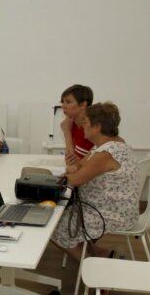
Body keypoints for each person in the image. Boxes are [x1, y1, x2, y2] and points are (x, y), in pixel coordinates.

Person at [51, 102, 139, 261]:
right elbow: (79, 166)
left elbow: (75, 179)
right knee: (59, 215)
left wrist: (63, 175)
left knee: (52, 224)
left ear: (97, 127)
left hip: (111, 214)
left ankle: (92, 269)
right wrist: (73, 169)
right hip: (113, 208)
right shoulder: (112, 144)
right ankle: (99, 254)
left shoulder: (105, 153)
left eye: (85, 122)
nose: (82, 126)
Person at [60, 84, 94, 165]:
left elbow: (73, 163)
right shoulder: (73, 124)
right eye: (62, 102)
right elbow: (71, 162)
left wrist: (66, 132)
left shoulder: (91, 127)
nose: (63, 106)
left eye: (68, 102)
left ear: (83, 105)